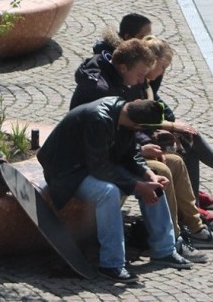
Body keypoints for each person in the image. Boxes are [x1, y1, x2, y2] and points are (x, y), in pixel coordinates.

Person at [70, 39, 213, 254]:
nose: (141, 81)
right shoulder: (101, 91)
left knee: (175, 162)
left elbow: (128, 126)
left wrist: (145, 144)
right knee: (161, 170)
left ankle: (195, 228)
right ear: (123, 67)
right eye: (140, 75)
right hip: (93, 161)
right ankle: (170, 241)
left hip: (118, 151)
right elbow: (102, 146)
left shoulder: (121, 81)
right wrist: (142, 152)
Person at [94, 15, 213, 198]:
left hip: (140, 136)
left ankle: (196, 199)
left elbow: (157, 106)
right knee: (187, 142)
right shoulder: (135, 81)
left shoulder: (144, 80)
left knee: (188, 140)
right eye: (162, 67)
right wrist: (171, 126)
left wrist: (171, 122)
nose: (162, 72)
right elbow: (137, 119)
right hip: (136, 140)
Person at [38, 97, 192, 283]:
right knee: (108, 192)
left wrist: (150, 175)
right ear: (137, 125)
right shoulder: (100, 119)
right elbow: (99, 167)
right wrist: (138, 186)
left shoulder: (124, 114)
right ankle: (111, 264)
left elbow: (132, 153)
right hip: (67, 172)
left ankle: (164, 250)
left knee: (154, 186)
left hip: (91, 166)